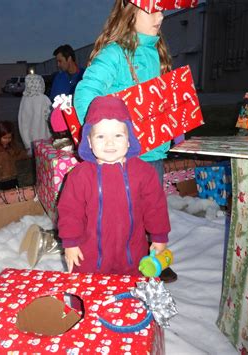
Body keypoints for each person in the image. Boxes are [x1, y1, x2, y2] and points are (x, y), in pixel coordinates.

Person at [73, 0, 177, 280]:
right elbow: (86, 95)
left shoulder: (155, 52)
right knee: (119, 217)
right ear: (130, 11)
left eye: (162, 10)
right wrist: (98, 136)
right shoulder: (116, 54)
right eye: (152, 9)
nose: (160, 16)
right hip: (124, 158)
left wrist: (173, 124)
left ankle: (151, 260)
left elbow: (159, 101)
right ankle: (114, 265)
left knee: (150, 211)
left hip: (153, 153)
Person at [57, 96, 171, 275]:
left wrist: (159, 236)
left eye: (118, 135)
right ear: (89, 141)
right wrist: (70, 243)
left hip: (132, 253)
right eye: (100, 136)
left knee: (132, 290)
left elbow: (155, 207)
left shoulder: (144, 172)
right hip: (91, 255)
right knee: (91, 293)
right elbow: (70, 211)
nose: (109, 143)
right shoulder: (79, 176)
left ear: (129, 139)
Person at [17, 74, 52, 155]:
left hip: (29, 138)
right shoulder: (44, 99)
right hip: (44, 136)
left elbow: (21, 119)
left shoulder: (24, 99)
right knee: (44, 158)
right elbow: (50, 117)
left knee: (35, 159)